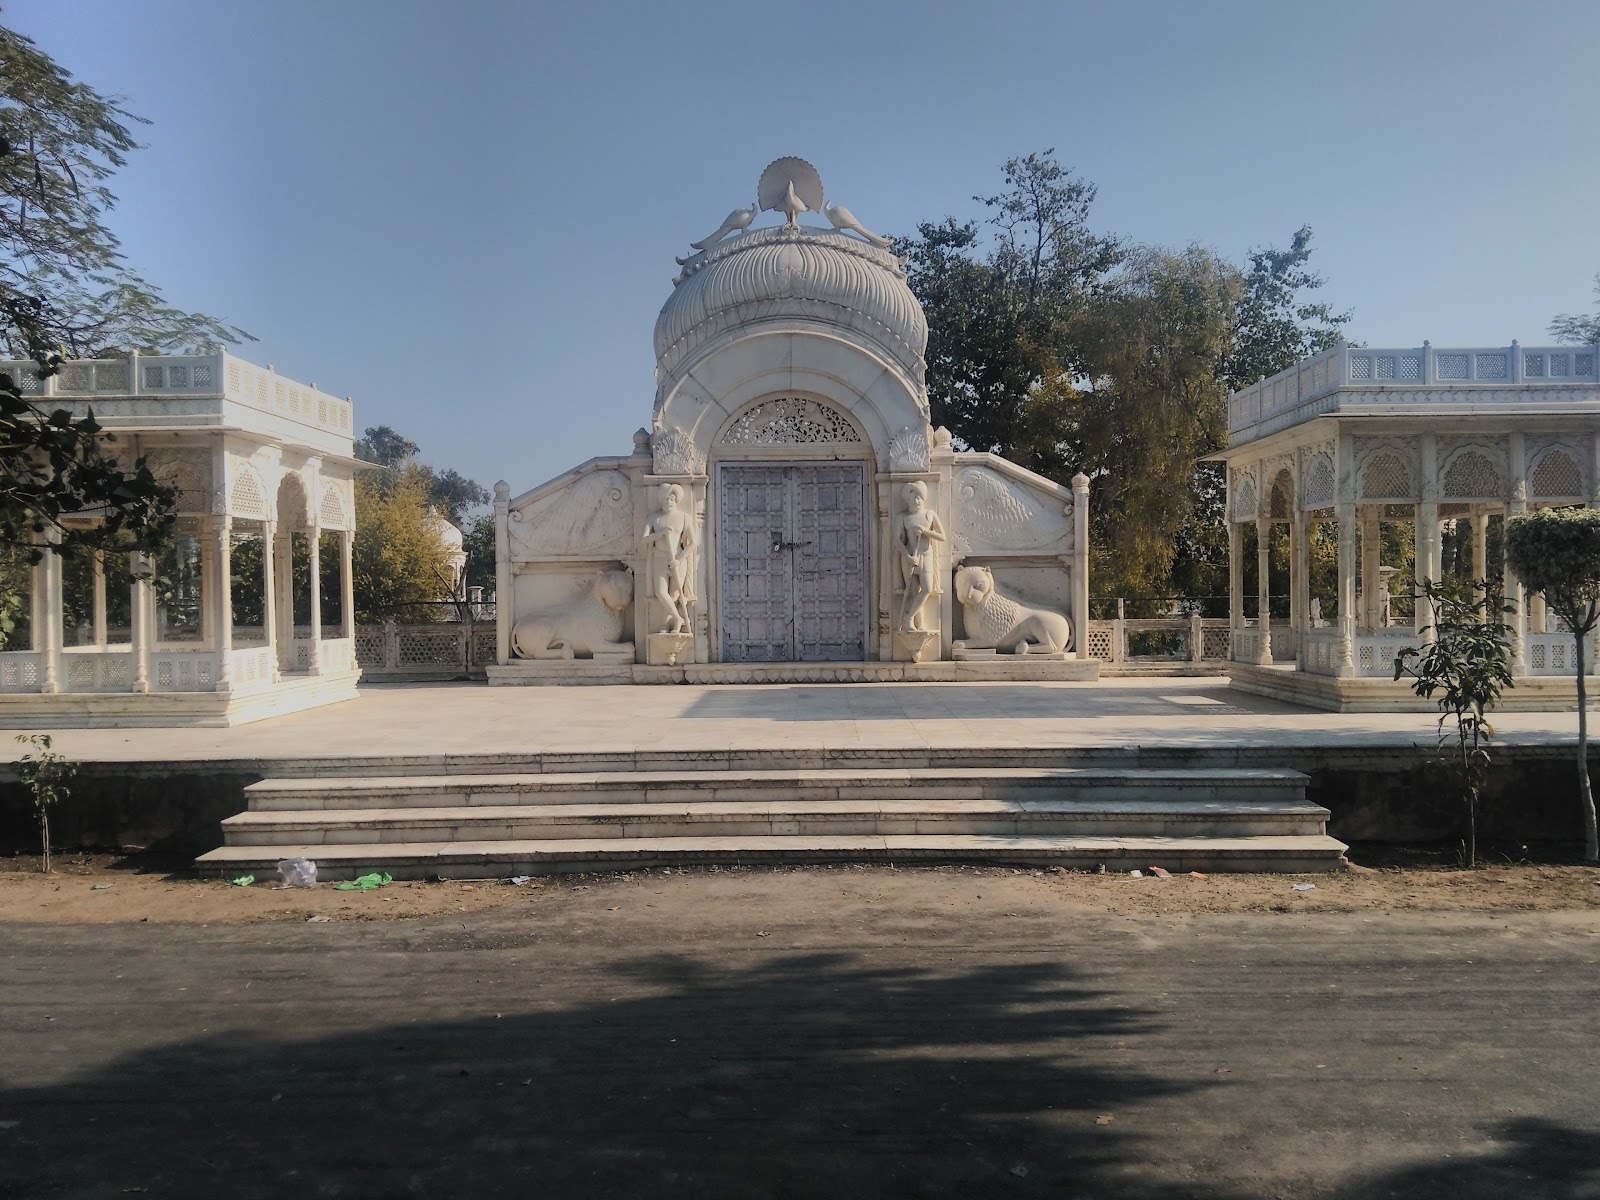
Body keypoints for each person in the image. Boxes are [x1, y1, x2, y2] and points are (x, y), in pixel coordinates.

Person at [644, 483, 696, 634]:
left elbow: (693, 543)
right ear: (661, 501)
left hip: (677, 558)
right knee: (661, 592)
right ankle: (678, 618)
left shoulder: (684, 518)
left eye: (671, 500)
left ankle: (667, 625)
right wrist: (659, 534)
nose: (668, 503)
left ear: (676, 501)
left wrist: (679, 560)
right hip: (659, 557)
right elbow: (644, 539)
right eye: (665, 500)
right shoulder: (654, 518)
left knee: (674, 594)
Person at [896, 480, 945, 632]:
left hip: (926, 554)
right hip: (910, 555)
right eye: (913, 497)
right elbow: (896, 540)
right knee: (912, 590)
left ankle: (909, 616)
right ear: (908, 500)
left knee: (927, 588)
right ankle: (918, 624)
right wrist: (908, 556)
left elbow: (942, 536)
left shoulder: (930, 515)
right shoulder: (903, 517)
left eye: (919, 497)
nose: (916, 500)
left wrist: (924, 532)